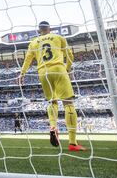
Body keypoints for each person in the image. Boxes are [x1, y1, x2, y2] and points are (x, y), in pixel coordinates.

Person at [18, 21, 86, 151]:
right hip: (58, 69)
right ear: (50, 29)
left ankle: (53, 126)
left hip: (43, 73)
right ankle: (72, 143)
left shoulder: (33, 42)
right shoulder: (59, 38)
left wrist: (22, 74)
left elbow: (27, 60)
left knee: (52, 102)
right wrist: (67, 69)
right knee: (68, 103)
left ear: (39, 30)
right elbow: (70, 56)